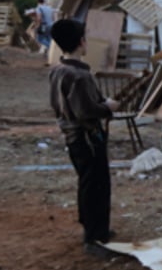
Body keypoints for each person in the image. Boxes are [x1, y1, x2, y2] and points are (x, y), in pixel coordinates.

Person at [49, 19, 119, 256]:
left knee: (88, 183)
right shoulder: (79, 75)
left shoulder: (58, 70)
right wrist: (108, 107)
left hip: (73, 138)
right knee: (96, 186)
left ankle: (95, 230)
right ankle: (94, 238)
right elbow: (85, 111)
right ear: (81, 42)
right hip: (87, 137)